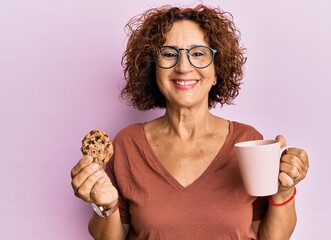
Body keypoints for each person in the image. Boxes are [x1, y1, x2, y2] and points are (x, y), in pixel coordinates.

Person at [71, 4, 309, 240]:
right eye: (168, 53)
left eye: (198, 54)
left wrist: (283, 191)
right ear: (153, 68)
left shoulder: (249, 142)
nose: (183, 67)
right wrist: (105, 206)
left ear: (217, 70)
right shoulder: (127, 145)